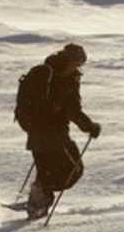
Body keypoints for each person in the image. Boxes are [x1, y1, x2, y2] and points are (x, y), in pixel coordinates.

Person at [22, 42, 102, 220]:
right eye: (77, 62)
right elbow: (71, 109)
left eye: (80, 63)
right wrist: (89, 126)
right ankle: (38, 200)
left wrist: (88, 126)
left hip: (45, 133)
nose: (78, 66)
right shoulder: (49, 76)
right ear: (68, 59)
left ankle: (37, 199)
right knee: (71, 169)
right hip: (47, 132)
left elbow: (72, 108)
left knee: (56, 169)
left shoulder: (66, 77)